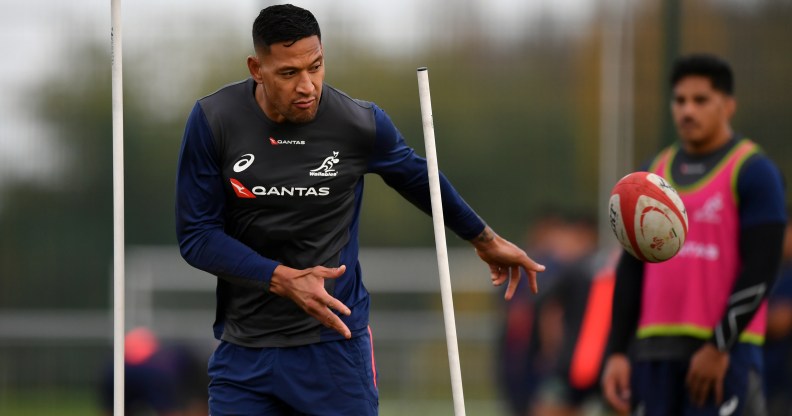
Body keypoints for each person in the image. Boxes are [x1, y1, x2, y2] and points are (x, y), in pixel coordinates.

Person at [174, 4, 545, 415]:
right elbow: (197, 237)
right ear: (256, 68)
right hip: (245, 351)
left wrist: (485, 239)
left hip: (334, 349)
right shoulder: (214, 120)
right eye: (289, 73)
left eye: (315, 66)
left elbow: (421, 180)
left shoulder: (358, 122)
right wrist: (282, 279)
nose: (308, 86)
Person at [601, 53, 787, 416]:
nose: (687, 111)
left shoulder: (753, 170)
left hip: (722, 356)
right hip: (653, 353)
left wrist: (720, 345)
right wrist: (617, 352)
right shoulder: (652, 174)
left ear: (728, 105)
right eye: (680, 100)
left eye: (701, 100)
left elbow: (763, 267)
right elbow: (630, 268)